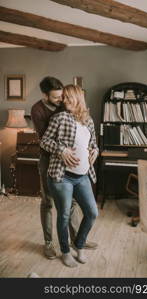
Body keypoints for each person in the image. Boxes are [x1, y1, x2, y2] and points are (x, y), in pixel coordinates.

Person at [31, 77, 97, 259]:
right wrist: (62, 151)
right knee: (48, 202)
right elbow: (46, 139)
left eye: (64, 96)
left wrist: (93, 150)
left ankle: (76, 240)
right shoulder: (38, 110)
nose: (62, 101)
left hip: (78, 171)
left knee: (73, 205)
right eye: (57, 98)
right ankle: (49, 243)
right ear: (45, 96)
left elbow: (86, 136)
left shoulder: (68, 107)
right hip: (50, 160)